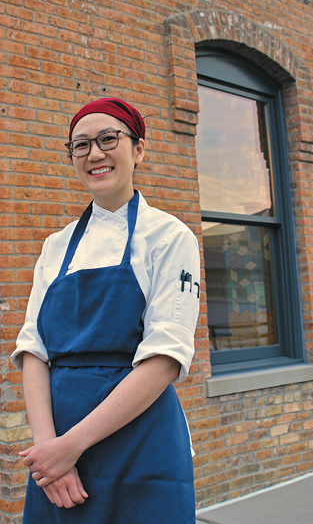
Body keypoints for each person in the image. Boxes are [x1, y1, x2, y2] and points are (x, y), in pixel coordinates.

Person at [11, 98, 200, 524]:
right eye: (81, 145)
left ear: (138, 149)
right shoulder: (55, 247)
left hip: (139, 441)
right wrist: (49, 452)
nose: (94, 154)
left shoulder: (170, 237)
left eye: (108, 139)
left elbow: (165, 359)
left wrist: (70, 446)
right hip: (58, 448)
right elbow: (33, 349)